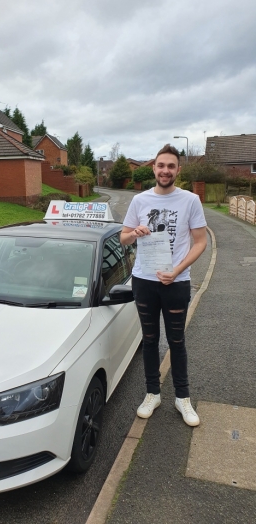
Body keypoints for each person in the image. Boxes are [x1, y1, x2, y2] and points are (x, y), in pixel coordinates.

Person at [121, 144, 207, 426]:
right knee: (149, 340)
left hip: (176, 282)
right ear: (154, 168)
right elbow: (123, 238)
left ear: (177, 170)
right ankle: (152, 393)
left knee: (177, 341)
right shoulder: (139, 201)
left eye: (171, 166)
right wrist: (134, 232)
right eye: (161, 165)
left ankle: (182, 398)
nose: (165, 171)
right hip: (144, 281)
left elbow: (200, 242)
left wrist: (178, 270)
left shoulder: (190, 200)